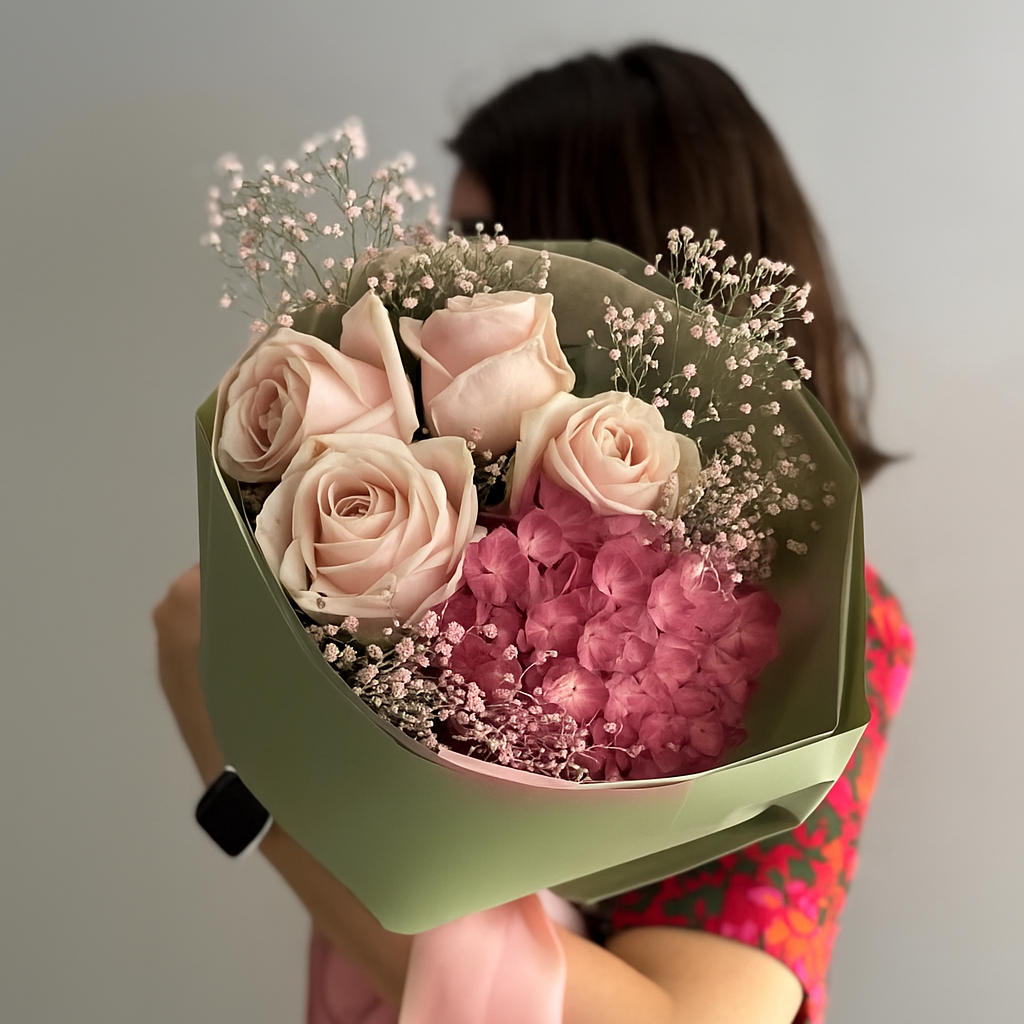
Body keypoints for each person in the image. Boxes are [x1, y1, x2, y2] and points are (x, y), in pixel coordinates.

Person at [155, 44, 913, 1024]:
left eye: (476, 236)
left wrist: (246, 773)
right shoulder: (426, 568)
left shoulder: (823, 635)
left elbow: (687, 1021)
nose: (440, 276)